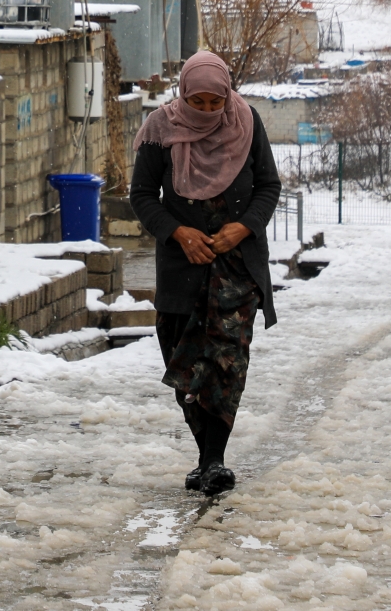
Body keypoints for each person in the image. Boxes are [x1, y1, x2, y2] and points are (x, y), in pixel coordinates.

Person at [129, 50, 281, 495]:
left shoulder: (247, 123)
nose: (209, 111)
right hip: (183, 268)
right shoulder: (161, 130)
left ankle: (213, 460)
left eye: (216, 102)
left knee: (226, 364)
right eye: (199, 102)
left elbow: (269, 186)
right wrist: (179, 233)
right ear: (183, 94)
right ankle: (206, 456)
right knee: (184, 362)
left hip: (238, 268)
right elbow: (142, 196)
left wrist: (244, 227)